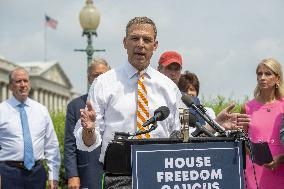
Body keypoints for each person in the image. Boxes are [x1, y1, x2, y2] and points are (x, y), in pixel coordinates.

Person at [75, 17, 249, 188]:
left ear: (155, 46)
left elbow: (183, 136)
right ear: (125, 42)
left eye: (147, 40)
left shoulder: (168, 87)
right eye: (135, 38)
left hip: (163, 174)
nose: (140, 44)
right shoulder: (104, 83)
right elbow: (88, 143)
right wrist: (89, 129)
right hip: (121, 176)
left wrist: (214, 125)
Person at [0, 67, 60, 189]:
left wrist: (53, 176)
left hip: (36, 173)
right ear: (10, 86)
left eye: (25, 81)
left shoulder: (41, 111)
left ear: (30, 84)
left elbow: (51, 145)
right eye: (18, 81)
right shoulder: (2, 110)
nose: (23, 85)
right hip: (8, 173)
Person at [64, 59, 110, 189]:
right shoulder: (75, 106)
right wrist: (72, 175)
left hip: (116, 171)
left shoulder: (117, 103)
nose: (100, 78)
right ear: (89, 78)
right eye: (96, 75)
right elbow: (70, 144)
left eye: (104, 75)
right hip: (88, 173)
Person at [242, 58, 284, 189]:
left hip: (281, 169)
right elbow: (242, 142)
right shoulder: (247, 108)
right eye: (259, 74)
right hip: (254, 170)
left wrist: (281, 159)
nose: (262, 78)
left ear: (277, 78)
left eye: (268, 74)